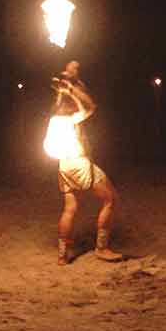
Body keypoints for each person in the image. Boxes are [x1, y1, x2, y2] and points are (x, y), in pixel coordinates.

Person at [49, 61, 123, 265]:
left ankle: (62, 255)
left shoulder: (54, 117)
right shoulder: (72, 118)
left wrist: (68, 81)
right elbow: (90, 105)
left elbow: (72, 93)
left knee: (70, 208)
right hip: (79, 164)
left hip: (64, 165)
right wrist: (71, 88)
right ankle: (102, 248)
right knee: (111, 199)